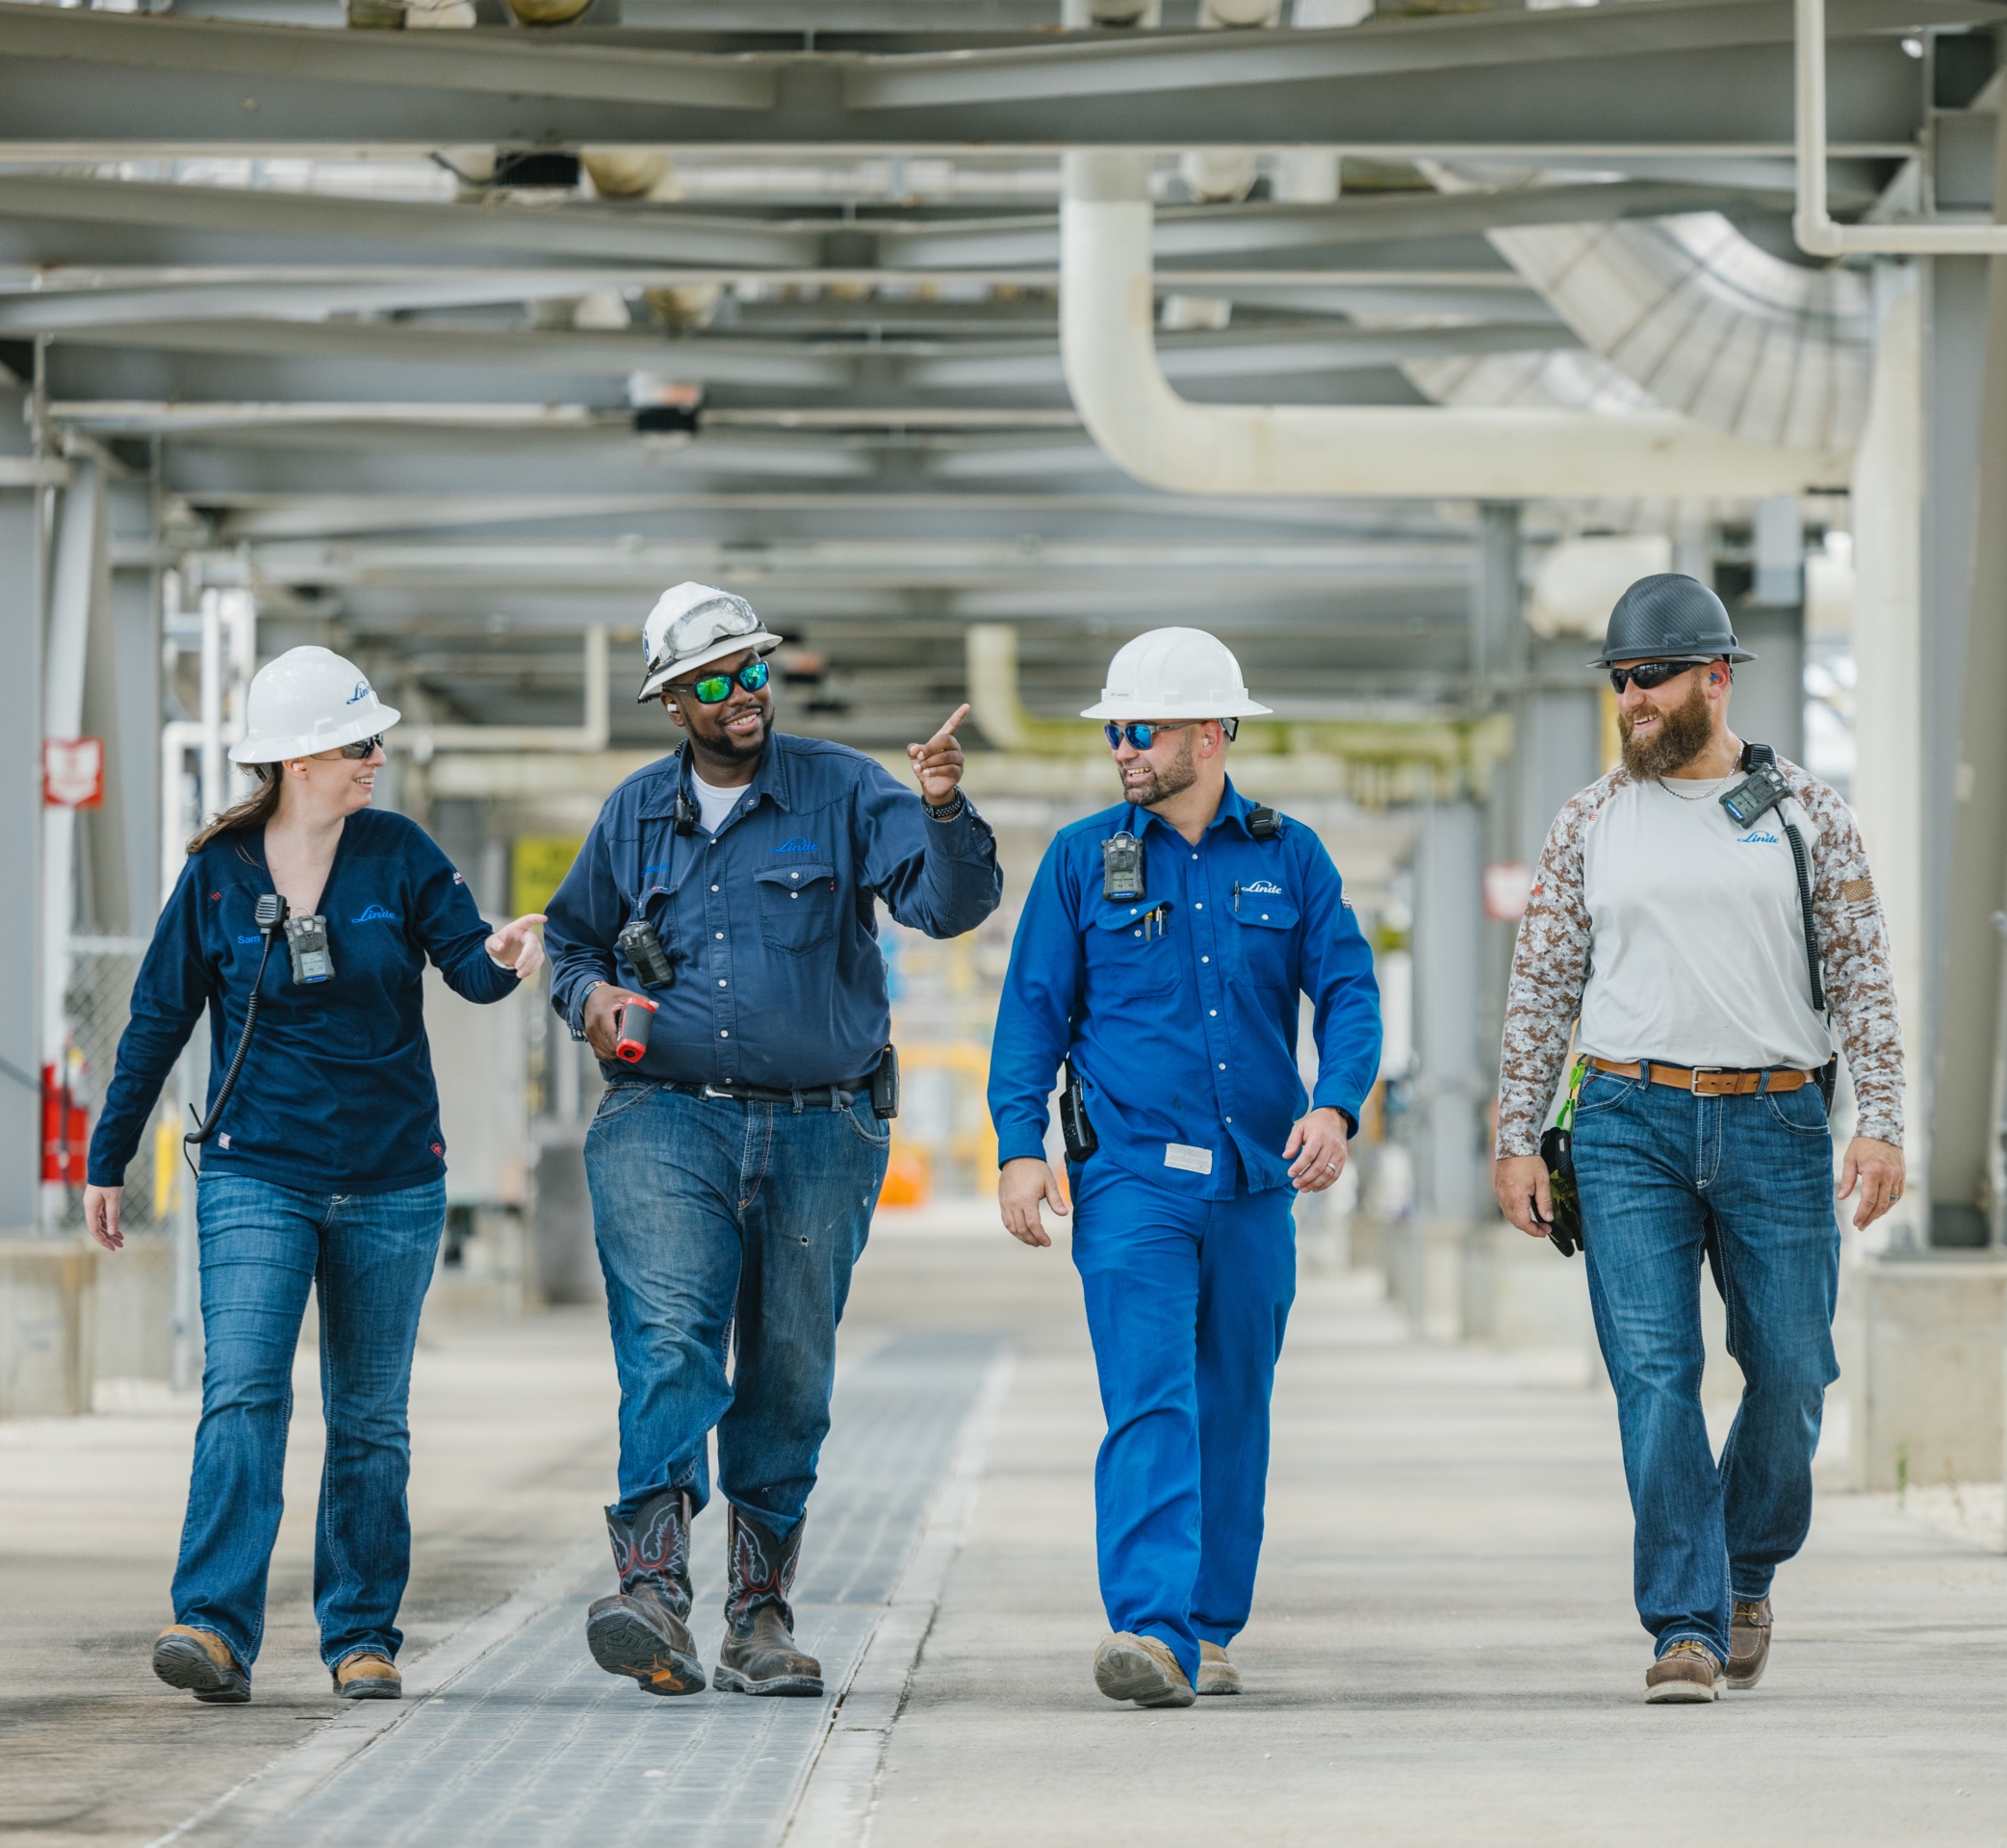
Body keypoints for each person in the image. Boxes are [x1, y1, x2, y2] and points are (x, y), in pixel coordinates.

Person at [545, 579, 1001, 1700]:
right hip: (666, 1121)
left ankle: (760, 1614)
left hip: (821, 1131)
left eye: (755, 670)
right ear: (672, 701)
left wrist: (943, 809)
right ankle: (653, 1590)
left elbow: (949, 908)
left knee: (789, 1374)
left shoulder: (845, 791)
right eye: (717, 680)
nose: (746, 695)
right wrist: (588, 997)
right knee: (669, 1342)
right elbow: (567, 938)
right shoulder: (632, 815)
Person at [84, 645, 545, 1707]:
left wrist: (509, 955)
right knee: (244, 1389)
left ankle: (361, 1635)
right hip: (259, 1170)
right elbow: (159, 1020)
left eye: (376, 743)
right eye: (358, 745)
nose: (375, 760)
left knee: (370, 1416)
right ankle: (212, 1625)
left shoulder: (400, 853)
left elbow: (468, 971)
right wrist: (108, 1158)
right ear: (299, 761)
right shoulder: (219, 875)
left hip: (391, 1178)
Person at [1492, 573, 1905, 1707]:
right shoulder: (1589, 821)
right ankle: (1683, 1620)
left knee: (1791, 1371)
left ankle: (1748, 1567)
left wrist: (1884, 1124)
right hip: (1626, 1122)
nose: (1631, 697)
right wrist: (1517, 1136)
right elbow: (1540, 989)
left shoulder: (1808, 816)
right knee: (1654, 1372)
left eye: (1651, 678)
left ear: (1714, 682)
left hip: (1777, 1121)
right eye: (1620, 680)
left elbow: (1866, 977)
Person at [989, 627, 1381, 1710]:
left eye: (1140, 729)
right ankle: (1150, 1628)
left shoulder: (1290, 856)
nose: (1120, 747)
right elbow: (1031, 1017)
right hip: (1129, 1185)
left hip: (1256, 1186)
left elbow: (1348, 990)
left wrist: (1338, 1104)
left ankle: (1207, 1625)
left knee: (1235, 1406)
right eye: (1113, 730)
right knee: (1151, 1401)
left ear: (1211, 735)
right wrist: (1022, 1150)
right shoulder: (1080, 861)